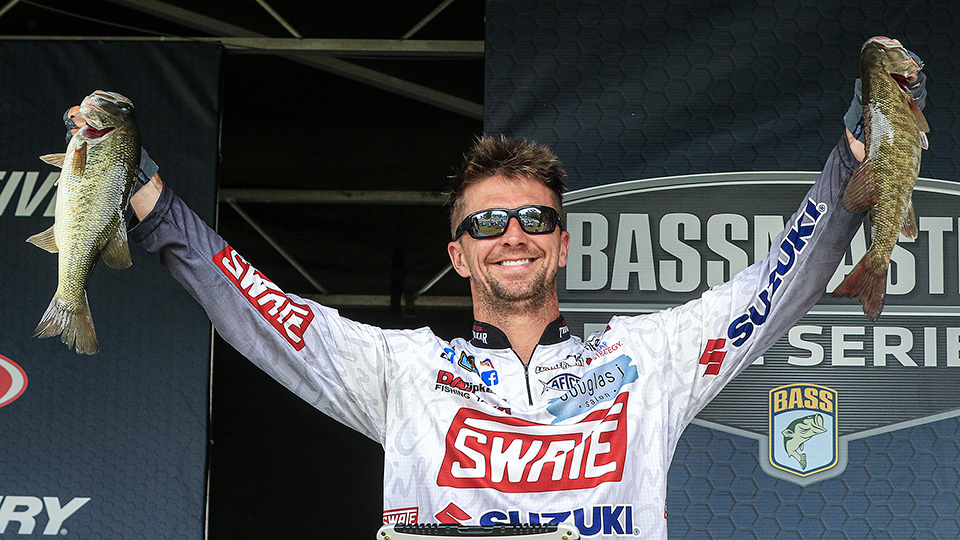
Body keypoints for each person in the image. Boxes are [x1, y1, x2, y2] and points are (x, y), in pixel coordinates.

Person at [87, 43, 923, 540]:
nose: (512, 234)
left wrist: (860, 153)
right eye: (487, 223)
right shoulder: (402, 371)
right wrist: (145, 196)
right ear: (458, 256)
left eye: (534, 218)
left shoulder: (651, 358)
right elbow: (258, 307)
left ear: (562, 243)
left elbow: (774, 286)